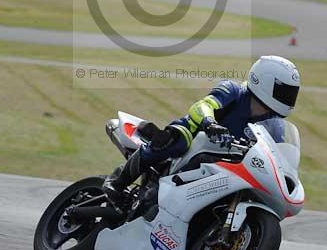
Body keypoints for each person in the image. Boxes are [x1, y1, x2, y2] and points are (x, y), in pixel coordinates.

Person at [103, 55, 301, 206]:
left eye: (291, 93)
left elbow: (276, 153)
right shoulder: (233, 91)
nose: (288, 97)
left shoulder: (273, 123)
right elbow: (202, 106)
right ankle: (118, 180)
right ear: (263, 81)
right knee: (177, 140)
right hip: (196, 137)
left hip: (228, 161)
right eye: (284, 91)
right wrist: (209, 123)